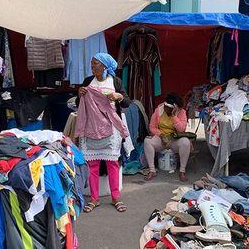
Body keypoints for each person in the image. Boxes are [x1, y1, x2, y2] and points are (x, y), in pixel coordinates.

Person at [76, 53, 131, 213]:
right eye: (91, 64)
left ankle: (116, 197)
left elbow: (127, 102)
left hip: (111, 128)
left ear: (105, 66)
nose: (92, 67)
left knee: (112, 163)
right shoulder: (87, 82)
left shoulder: (115, 81)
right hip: (91, 127)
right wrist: (80, 94)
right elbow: (80, 103)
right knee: (92, 165)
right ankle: (94, 199)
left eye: (95, 64)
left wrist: (119, 96)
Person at [144, 93, 191, 182]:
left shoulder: (182, 112)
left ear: (175, 108)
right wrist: (161, 135)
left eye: (169, 108)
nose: (166, 109)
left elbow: (181, 129)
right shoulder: (159, 110)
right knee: (147, 141)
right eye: (165, 107)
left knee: (185, 142)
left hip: (174, 140)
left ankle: (182, 171)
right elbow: (152, 127)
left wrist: (174, 117)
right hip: (161, 139)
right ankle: (152, 170)